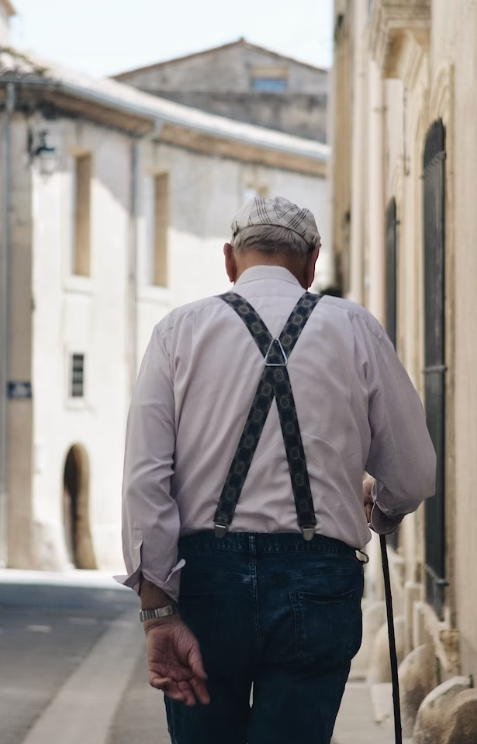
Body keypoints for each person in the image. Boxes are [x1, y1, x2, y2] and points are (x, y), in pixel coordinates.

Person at [118, 196, 436, 744]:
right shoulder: (356, 328)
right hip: (318, 584)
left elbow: (145, 481)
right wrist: (380, 511)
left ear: (229, 260)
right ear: (312, 263)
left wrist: (158, 613)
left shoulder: (178, 332)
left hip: (207, 584)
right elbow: (412, 474)